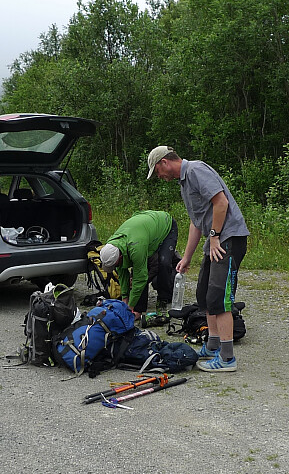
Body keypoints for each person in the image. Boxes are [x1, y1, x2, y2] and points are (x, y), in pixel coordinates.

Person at [146, 146, 249, 372]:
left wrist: (215, 236)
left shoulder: (195, 170)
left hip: (229, 239)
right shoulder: (184, 183)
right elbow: (196, 222)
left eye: (157, 172)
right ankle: (212, 346)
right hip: (216, 240)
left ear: (164, 162)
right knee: (204, 295)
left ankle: (227, 359)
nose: (159, 177)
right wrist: (187, 257)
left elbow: (221, 203)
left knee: (219, 297)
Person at [99, 210, 178, 319]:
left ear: (120, 257)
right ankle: (139, 308)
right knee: (141, 268)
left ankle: (163, 300)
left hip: (165, 224)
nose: (113, 267)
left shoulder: (136, 248)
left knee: (163, 263)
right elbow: (122, 274)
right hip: (144, 232)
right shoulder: (113, 244)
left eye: (114, 264)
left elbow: (140, 277)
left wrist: (130, 307)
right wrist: (125, 299)